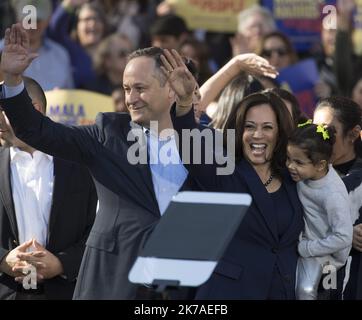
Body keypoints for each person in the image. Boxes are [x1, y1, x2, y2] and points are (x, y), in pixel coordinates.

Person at [0, 23, 197, 299]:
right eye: (127, 88)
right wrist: (11, 80)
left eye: (140, 88)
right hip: (114, 284)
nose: (131, 99)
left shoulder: (200, 142)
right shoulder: (108, 134)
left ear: (171, 90)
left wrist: (187, 107)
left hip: (180, 288)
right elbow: (38, 131)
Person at [171, 87, 304, 299]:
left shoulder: (294, 178)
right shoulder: (223, 173)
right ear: (239, 131)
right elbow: (191, 149)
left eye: (267, 127)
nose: (257, 135)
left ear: (280, 133)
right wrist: (185, 102)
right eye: (249, 127)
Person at [0, 76, 97, 299]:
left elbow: (100, 227)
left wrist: (63, 263)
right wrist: (3, 260)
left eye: (2, 110)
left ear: (34, 109)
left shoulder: (82, 164)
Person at [286, 122, 352, 300]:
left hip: (324, 252)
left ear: (320, 165)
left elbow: (344, 237)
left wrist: (307, 248)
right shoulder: (304, 174)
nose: (290, 166)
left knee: (305, 290)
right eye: (288, 159)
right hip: (305, 242)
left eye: (298, 162)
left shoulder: (332, 194)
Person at [313, 96, 362, 299]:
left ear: (353, 134)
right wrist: (343, 235)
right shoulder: (301, 175)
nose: (319, 137)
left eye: (327, 130)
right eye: (315, 129)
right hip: (315, 284)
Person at [0, 0, 74, 91]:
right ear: (18, 18)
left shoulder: (60, 54)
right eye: (29, 20)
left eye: (38, 20)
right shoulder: (2, 50)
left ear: (47, 20)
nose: (33, 25)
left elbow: (70, 94)